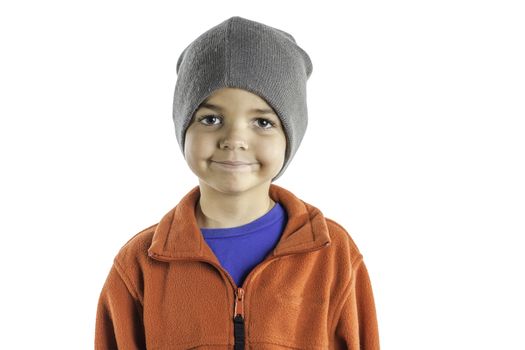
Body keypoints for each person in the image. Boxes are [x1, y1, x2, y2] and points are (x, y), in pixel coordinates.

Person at [95, 16, 380, 350]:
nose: (234, 139)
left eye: (262, 121)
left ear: (290, 135)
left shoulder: (331, 253)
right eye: (211, 119)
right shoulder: (140, 264)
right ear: (184, 128)